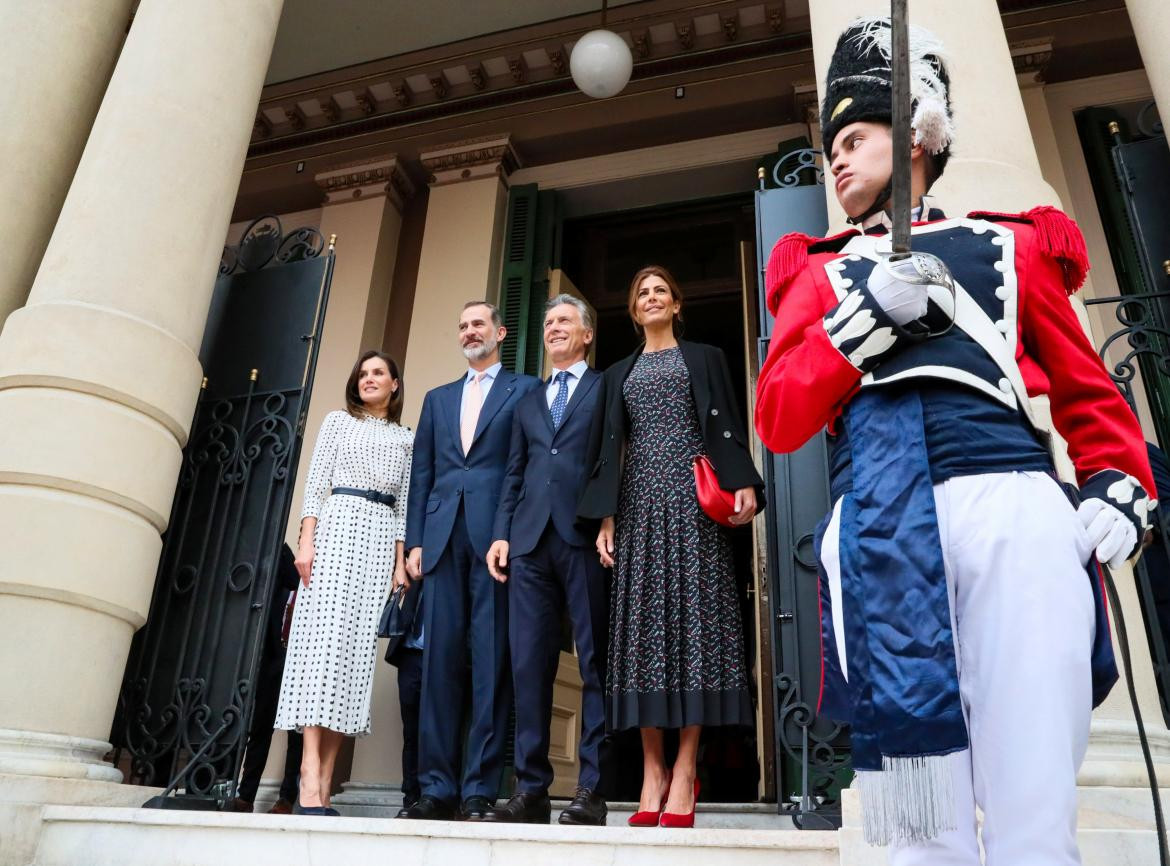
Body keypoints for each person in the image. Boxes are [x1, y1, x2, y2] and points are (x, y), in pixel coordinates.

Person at [754, 18, 1156, 864]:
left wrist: (1118, 484)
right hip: (877, 529)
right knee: (916, 828)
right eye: (830, 142)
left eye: (855, 137)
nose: (835, 157)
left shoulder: (1010, 246)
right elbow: (780, 417)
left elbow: (1087, 391)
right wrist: (859, 328)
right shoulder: (819, 271)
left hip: (1013, 507)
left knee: (1033, 805)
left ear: (914, 136)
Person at [577, 266, 765, 829]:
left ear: (676, 304)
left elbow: (729, 425)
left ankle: (686, 769)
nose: (652, 298)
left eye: (661, 290)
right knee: (642, 639)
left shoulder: (705, 358)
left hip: (692, 505)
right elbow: (609, 450)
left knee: (695, 632)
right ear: (633, 311)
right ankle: (651, 771)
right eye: (642, 293)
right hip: (636, 508)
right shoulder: (616, 374)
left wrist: (746, 482)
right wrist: (605, 519)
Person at [403, 301, 542, 821]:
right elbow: (422, 474)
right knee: (437, 664)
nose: (468, 332)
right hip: (439, 541)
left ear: (500, 332)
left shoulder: (525, 389)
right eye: (461, 326)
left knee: (489, 663)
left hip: (495, 542)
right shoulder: (438, 399)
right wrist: (415, 540)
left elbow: (526, 465)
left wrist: (511, 532)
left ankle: (479, 790)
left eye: (477, 323)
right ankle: (435, 789)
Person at [484, 294, 610, 826]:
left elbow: (612, 460)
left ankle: (592, 789)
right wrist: (501, 534)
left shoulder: (606, 387)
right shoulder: (529, 400)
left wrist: (609, 519)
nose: (554, 328)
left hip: (582, 536)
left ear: (586, 335)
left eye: (565, 321)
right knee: (528, 664)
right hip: (528, 542)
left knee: (593, 660)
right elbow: (516, 471)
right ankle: (531, 790)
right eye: (548, 322)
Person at [274, 350, 413, 816]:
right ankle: (308, 771)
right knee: (322, 653)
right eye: (363, 374)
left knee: (353, 663)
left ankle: (326, 780)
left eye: (379, 373)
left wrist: (398, 563)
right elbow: (314, 485)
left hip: (377, 544)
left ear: (395, 384)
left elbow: (404, 508)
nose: (369, 379)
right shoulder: (337, 421)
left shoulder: (406, 439)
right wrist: (307, 542)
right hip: (337, 530)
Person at [231, 544, 303, 813]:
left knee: (297, 738)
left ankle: (287, 798)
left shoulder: (319, 597)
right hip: (274, 666)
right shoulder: (279, 594)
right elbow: (280, 553)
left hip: (302, 671)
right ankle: (245, 795)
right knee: (260, 731)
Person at [383, 574, 424, 817]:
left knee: (437, 729)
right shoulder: (414, 562)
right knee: (411, 732)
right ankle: (410, 796)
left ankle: (437, 793)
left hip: (441, 657)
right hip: (409, 654)